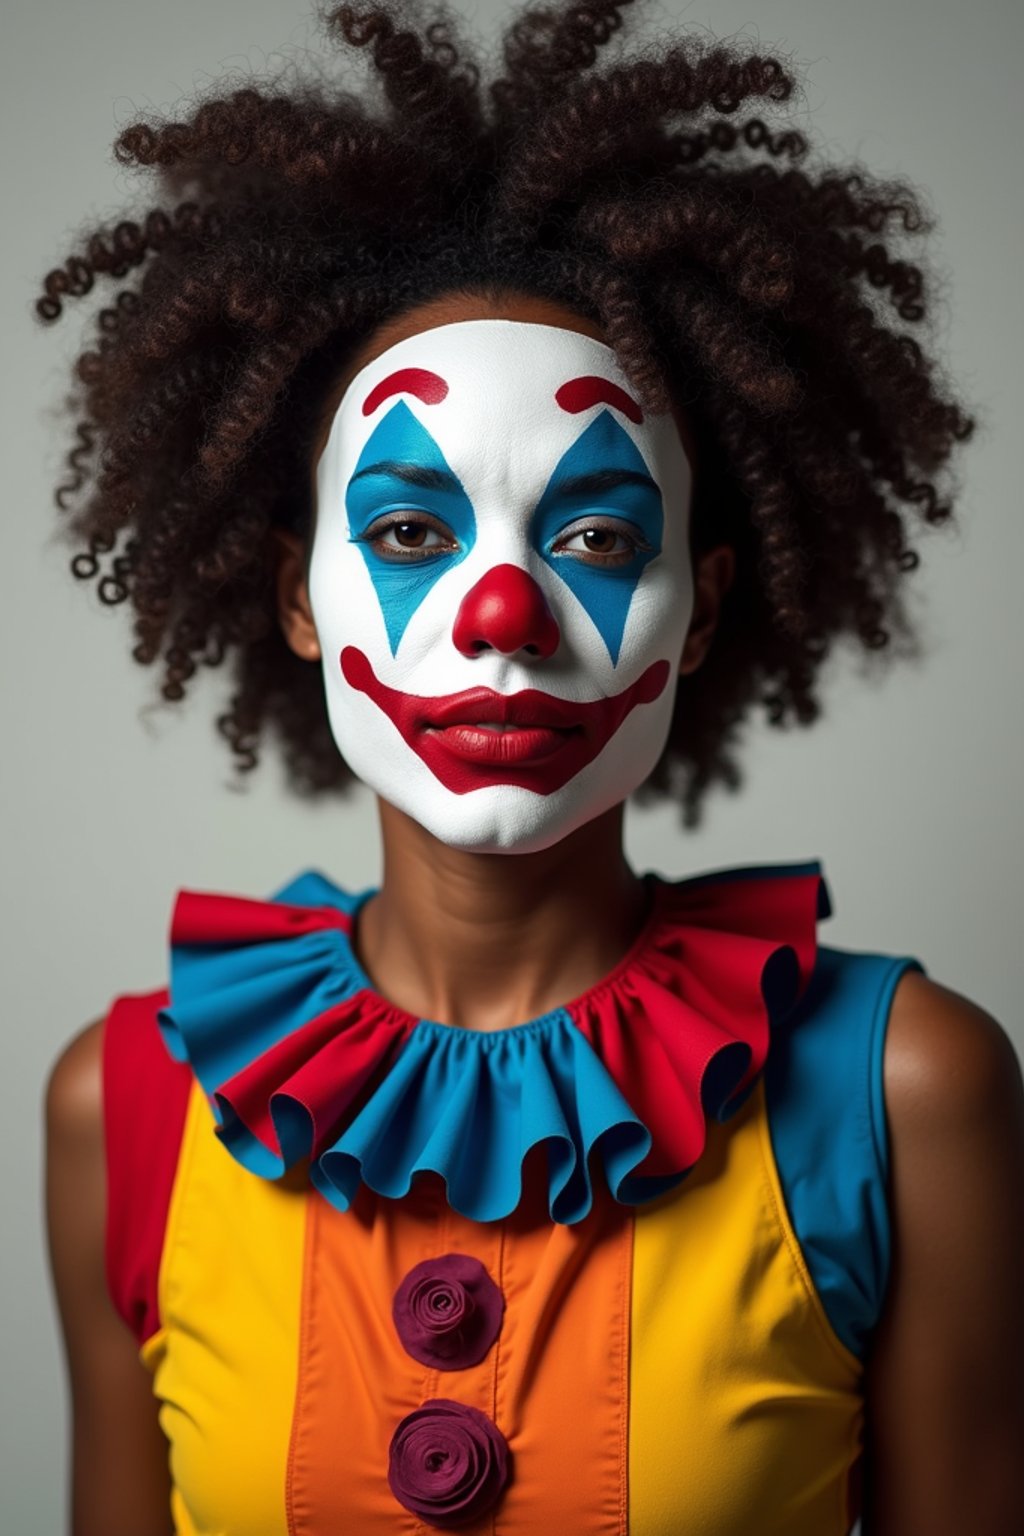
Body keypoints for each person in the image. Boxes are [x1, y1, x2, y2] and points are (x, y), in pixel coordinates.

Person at [40, 3, 1024, 1533]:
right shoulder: (131, 1106)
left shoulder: (910, 1091)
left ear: (698, 609)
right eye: (414, 533)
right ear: (301, 597)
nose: (504, 620)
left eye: (597, 538)